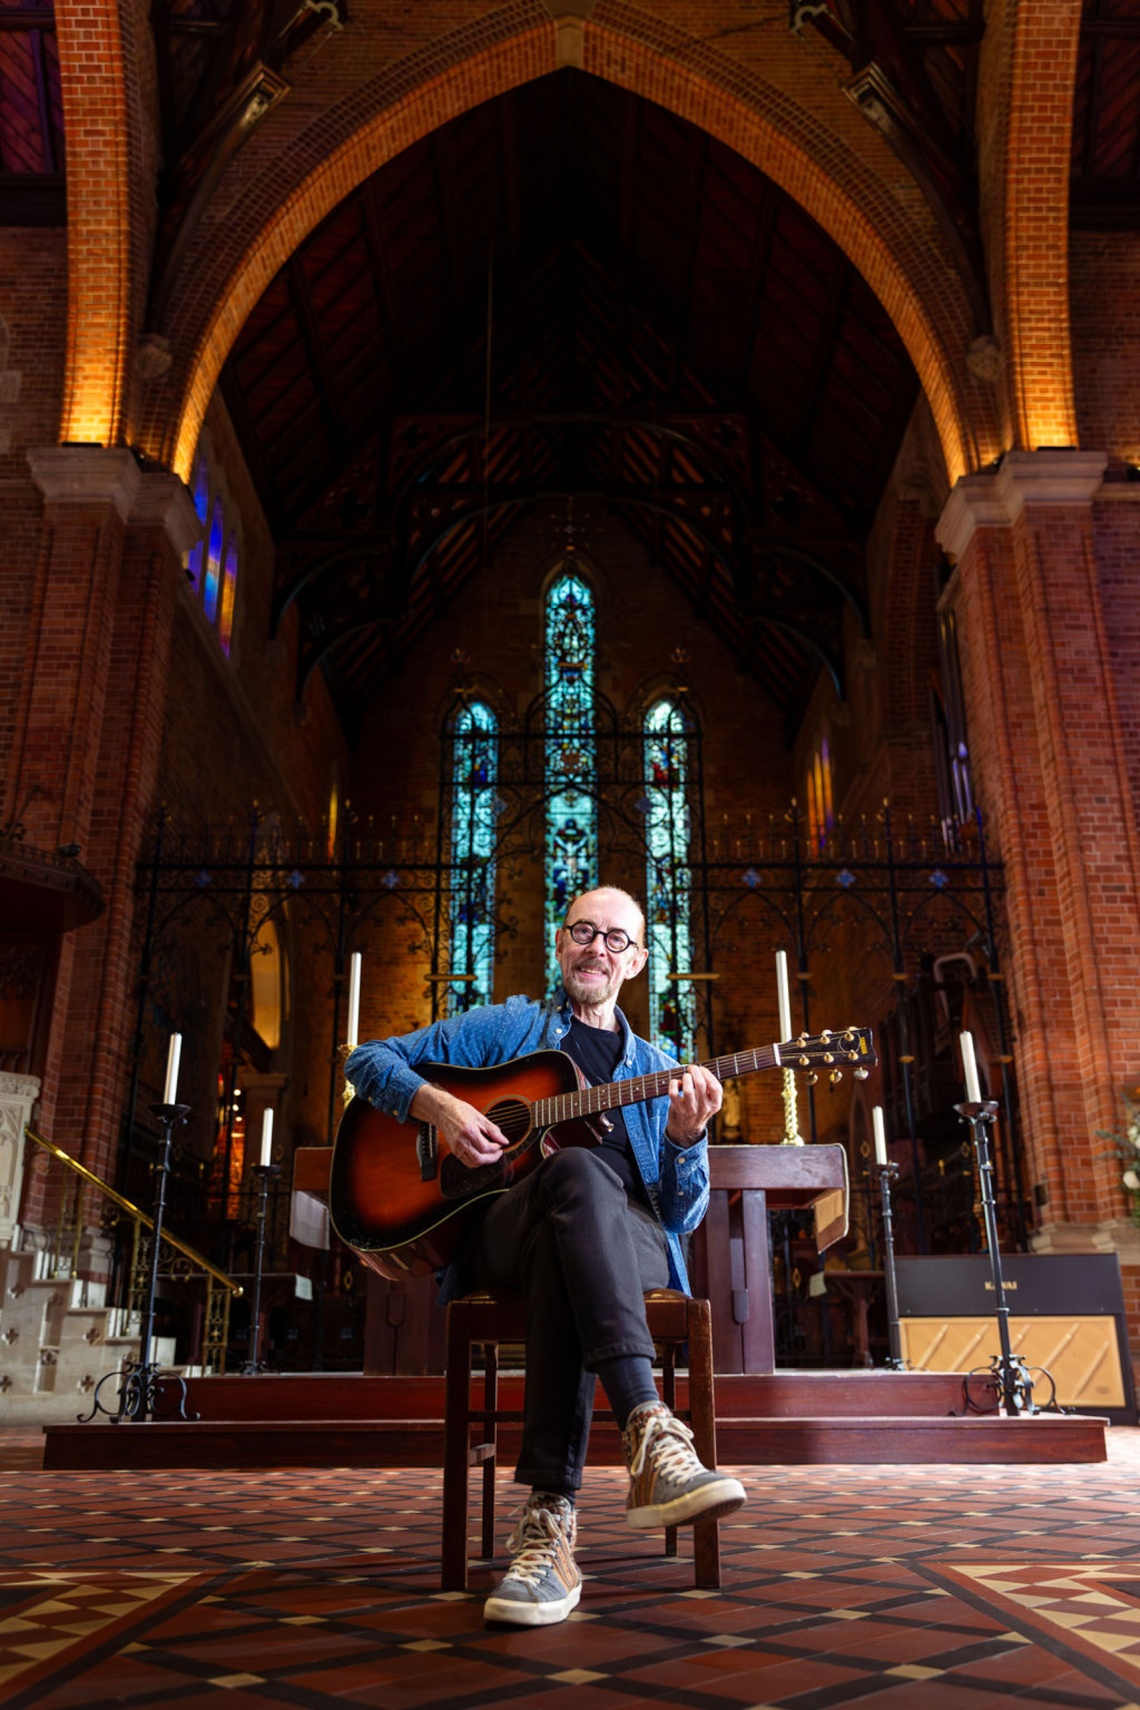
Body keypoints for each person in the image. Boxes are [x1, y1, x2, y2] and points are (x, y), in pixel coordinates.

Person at [345, 885, 746, 1627]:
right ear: (561, 944)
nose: (597, 947)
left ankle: (550, 1521)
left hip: (628, 1247)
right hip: (505, 1235)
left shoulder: (661, 1070)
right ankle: (650, 1433)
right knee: (573, 1174)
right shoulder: (506, 1029)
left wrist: (688, 1139)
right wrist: (442, 1107)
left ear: (638, 960)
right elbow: (370, 1060)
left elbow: (682, 1218)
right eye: (583, 932)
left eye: (615, 939)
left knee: (580, 1183)